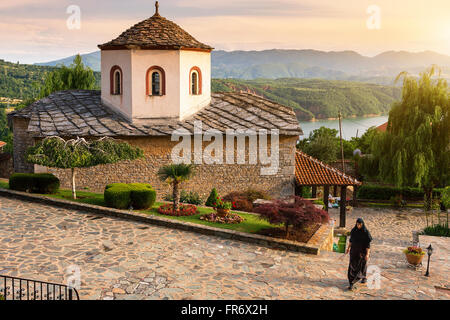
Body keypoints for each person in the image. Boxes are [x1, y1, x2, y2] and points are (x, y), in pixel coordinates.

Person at [346, 218, 372, 290]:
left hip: (362, 252)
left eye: (360, 224)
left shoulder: (366, 233)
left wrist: (367, 254)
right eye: (357, 224)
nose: (359, 226)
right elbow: (351, 241)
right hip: (354, 252)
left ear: (362, 224)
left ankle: (363, 277)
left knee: (362, 265)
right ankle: (351, 282)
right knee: (352, 266)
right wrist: (348, 248)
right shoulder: (354, 231)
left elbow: (368, 245)